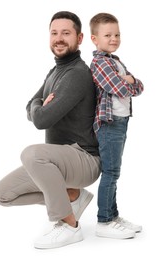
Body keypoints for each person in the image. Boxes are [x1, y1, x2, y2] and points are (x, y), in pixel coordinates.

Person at [0, 11, 101, 249]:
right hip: (57, 164)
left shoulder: (77, 74)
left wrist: (38, 107)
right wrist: (38, 105)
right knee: (2, 194)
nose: (59, 38)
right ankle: (73, 196)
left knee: (32, 154)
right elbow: (31, 105)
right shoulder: (55, 72)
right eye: (54, 33)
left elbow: (41, 119)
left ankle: (69, 225)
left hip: (84, 159)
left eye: (66, 33)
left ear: (79, 38)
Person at [89, 12, 144, 239]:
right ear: (95, 39)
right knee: (110, 172)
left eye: (117, 34)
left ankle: (112, 215)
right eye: (108, 35)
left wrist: (130, 81)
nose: (114, 38)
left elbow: (140, 86)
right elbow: (121, 89)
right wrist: (128, 81)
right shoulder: (100, 63)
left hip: (121, 121)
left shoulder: (115, 61)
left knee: (114, 171)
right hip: (110, 123)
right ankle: (104, 221)